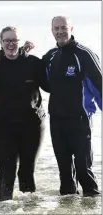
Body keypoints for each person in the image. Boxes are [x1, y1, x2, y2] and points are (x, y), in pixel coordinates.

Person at [0, 26, 48, 201]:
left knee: (27, 170)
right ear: (1, 42)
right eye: (7, 40)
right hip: (3, 126)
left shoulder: (34, 63)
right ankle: (4, 208)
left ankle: (30, 209)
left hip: (32, 125)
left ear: (19, 41)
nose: (11, 44)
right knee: (7, 169)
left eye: (14, 40)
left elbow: (51, 86)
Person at [43, 16, 101, 197]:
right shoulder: (50, 55)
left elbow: (100, 86)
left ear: (71, 28)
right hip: (57, 121)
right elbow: (35, 77)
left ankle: (93, 205)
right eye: (56, 28)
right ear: (52, 31)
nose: (60, 31)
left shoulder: (84, 54)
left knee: (84, 170)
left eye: (63, 27)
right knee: (65, 174)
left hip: (79, 120)